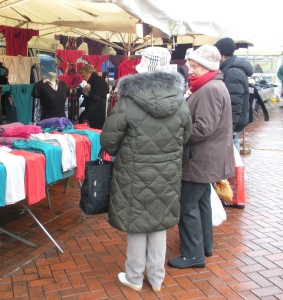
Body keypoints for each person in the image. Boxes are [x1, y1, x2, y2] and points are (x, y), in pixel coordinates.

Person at [100, 47, 192, 292]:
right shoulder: (180, 100)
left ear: (142, 66)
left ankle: (133, 277)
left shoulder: (128, 101)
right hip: (168, 172)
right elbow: (186, 136)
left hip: (133, 172)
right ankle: (157, 278)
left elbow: (109, 141)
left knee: (136, 222)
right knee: (159, 224)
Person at [167, 45, 235, 269]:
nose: (190, 70)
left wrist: (176, 133)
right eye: (190, 66)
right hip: (204, 159)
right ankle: (204, 246)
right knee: (202, 202)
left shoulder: (210, 90)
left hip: (200, 160)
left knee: (187, 206)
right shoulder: (211, 86)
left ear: (207, 67)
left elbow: (202, 128)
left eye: (195, 66)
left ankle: (193, 255)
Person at [214, 37, 253, 151]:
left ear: (221, 55)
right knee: (233, 150)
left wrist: (229, 128)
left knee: (232, 153)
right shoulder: (232, 68)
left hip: (233, 123)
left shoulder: (232, 72)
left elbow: (234, 104)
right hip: (235, 122)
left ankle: (235, 169)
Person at [79, 64, 109, 129]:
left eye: (84, 76)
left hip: (97, 114)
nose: (84, 79)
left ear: (89, 73)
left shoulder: (97, 81)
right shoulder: (98, 80)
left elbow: (95, 97)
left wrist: (88, 89)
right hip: (98, 112)